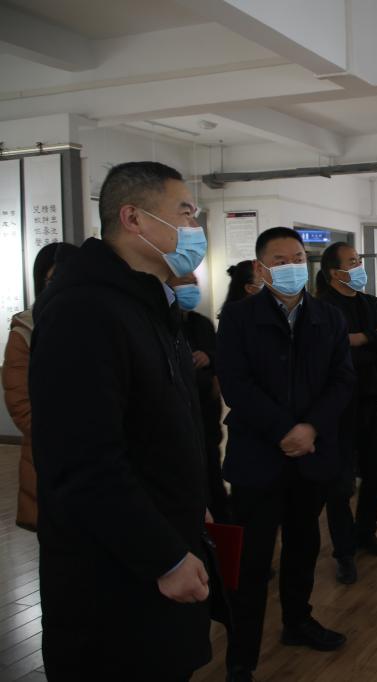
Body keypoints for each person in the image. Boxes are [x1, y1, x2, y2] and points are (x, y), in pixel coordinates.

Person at [29, 161, 212, 680]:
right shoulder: (84, 310)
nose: (194, 227)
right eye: (185, 213)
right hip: (113, 578)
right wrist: (164, 557)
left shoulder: (147, 302)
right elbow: (84, 463)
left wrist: (190, 505)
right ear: (133, 218)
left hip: (160, 541)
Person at [216, 226, 355, 681]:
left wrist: (310, 428)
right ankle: (242, 656)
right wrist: (284, 430)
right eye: (280, 260)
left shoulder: (328, 317)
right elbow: (236, 384)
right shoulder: (238, 317)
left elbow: (342, 380)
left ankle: (297, 621)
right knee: (252, 560)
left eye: (297, 258)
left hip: (312, 454)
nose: (292, 266)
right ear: (261, 268)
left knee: (303, 545)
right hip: (259, 457)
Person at [316, 242, 377, 584]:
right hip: (337, 409)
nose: (358, 266)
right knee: (340, 485)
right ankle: (344, 551)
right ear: (334, 272)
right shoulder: (321, 308)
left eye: (357, 261)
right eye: (352, 262)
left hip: (370, 402)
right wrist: (373, 342)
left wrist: (362, 338)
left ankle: (365, 532)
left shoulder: (371, 303)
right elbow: (330, 354)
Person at [3, 241, 77, 532]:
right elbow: (20, 404)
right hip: (50, 460)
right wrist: (67, 438)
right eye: (54, 279)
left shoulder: (97, 322)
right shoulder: (26, 330)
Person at [168, 272, 230, 523]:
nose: (191, 288)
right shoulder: (162, 322)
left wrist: (210, 358)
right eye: (184, 283)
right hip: (178, 414)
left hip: (207, 412)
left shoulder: (202, 323)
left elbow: (220, 355)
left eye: (194, 283)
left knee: (212, 470)